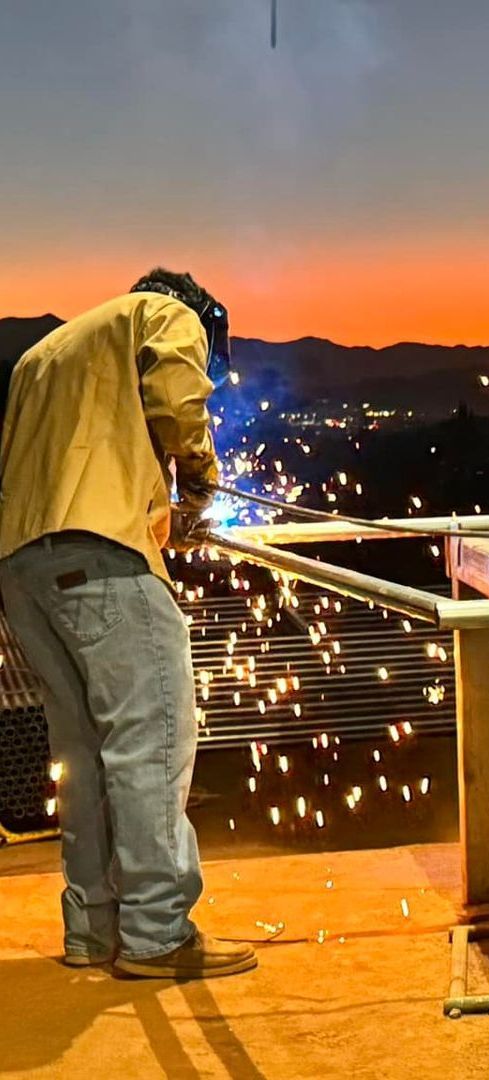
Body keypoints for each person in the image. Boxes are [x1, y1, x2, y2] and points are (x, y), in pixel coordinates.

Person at [0, 269, 256, 978]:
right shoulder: (164, 313)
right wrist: (199, 482)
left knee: (83, 754)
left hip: (22, 567)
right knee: (151, 743)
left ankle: (93, 930)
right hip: (105, 558)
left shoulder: (43, 354)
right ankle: (157, 933)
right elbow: (177, 398)